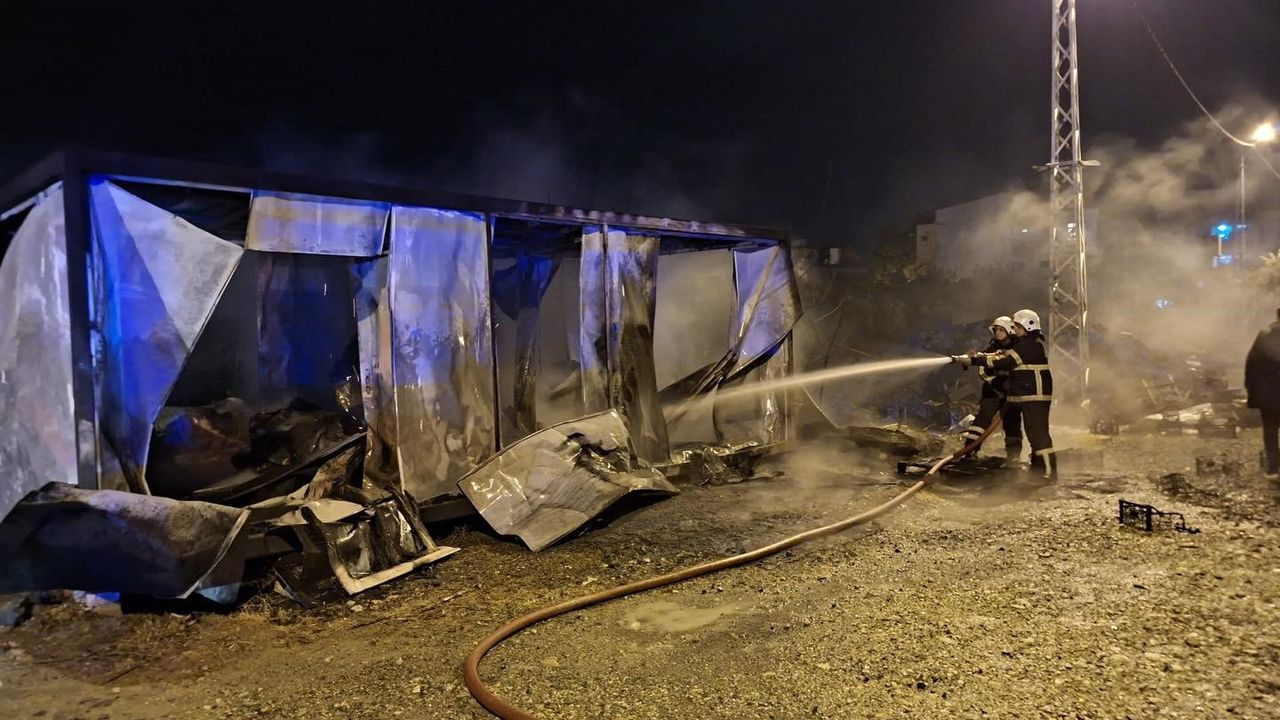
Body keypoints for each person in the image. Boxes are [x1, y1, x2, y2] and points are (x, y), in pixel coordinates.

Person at [965, 309, 1055, 480]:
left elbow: (1007, 362)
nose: (1016, 330)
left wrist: (976, 360)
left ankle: (1047, 473)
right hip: (1025, 395)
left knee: (1037, 435)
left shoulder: (1028, 345)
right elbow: (1001, 358)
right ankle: (1040, 471)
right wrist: (979, 358)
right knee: (1034, 435)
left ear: (1028, 326)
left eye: (1018, 327)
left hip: (1033, 395)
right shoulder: (1025, 344)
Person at [961, 316, 1023, 459]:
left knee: (1012, 424)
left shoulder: (1018, 348)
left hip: (1012, 393)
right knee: (982, 420)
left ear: (1010, 331)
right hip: (993, 391)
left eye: (1001, 330)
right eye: (996, 330)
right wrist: (971, 359)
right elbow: (983, 368)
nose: (997, 333)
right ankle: (969, 451)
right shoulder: (992, 347)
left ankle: (1014, 457)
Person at [1245, 308, 1280, 479]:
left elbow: (1251, 362)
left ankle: (1273, 469)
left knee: (1270, 429)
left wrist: (1250, 388)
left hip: (1268, 394)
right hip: (1270, 391)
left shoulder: (1264, 334)